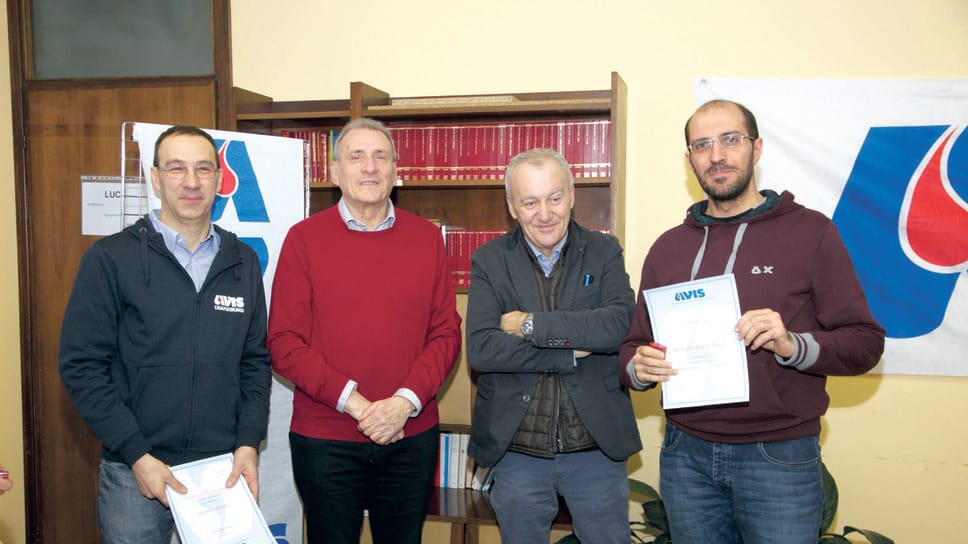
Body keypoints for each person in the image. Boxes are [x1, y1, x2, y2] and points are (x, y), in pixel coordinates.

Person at [620, 100, 886, 544]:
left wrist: (792, 344)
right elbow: (633, 346)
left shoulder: (811, 233)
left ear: (756, 148)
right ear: (690, 160)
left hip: (778, 455)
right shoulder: (668, 248)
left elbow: (866, 343)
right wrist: (639, 367)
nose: (716, 155)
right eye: (702, 145)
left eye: (730, 140)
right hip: (685, 454)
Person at [59, 125, 272, 544]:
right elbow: (81, 366)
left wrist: (248, 444)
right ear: (155, 178)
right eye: (176, 168)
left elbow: (254, 362)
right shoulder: (110, 258)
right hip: (135, 471)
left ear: (219, 180)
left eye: (203, 169)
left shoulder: (242, 261)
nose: (191, 182)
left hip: (219, 472)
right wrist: (136, 454)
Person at [267, 118, 462, 544]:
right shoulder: (302, 239)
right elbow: (283, 342)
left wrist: (402, 404)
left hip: (409, 435)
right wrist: (358, 405)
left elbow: (446, 334)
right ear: (335, 173)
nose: (370, 167)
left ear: (396, 171)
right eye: (356, 157)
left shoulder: (428, 238)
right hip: (325, 441)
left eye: (380, 157)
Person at [466, 148, 642, 543]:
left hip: (595, 446)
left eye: (555, 198)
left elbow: (618, 325)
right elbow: (483, 349)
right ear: (512, 206)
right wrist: (569, 351)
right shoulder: (488, 261)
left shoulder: (604, 251)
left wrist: (529, 324)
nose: (544, 214)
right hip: (518, 448)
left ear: (572, 195)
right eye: (530, 202)